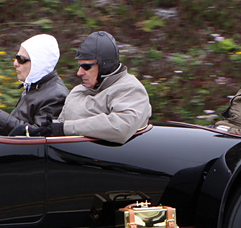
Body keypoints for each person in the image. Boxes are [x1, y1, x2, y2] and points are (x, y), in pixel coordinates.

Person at [13, 30, 152, 144]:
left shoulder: (130, 89)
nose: (79, 72)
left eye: (86, 66)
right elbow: (57, 126)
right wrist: (32, 132)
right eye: (79, 66)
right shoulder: (78, 91)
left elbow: (121, 127)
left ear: (105, 65)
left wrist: (64, 128)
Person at [0, 34, 69, 135]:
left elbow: (38, 135)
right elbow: (14, 126)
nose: (15, 63)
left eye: (21, 59)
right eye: (16, 58)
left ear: (38, 63)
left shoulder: (56, 95)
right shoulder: (34, 87)